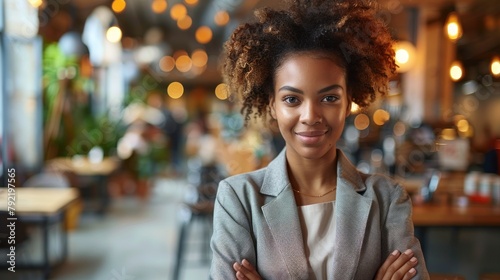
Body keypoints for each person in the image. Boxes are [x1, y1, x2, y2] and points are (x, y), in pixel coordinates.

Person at [210, 0, 430, 279]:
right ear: (273, 105)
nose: (310, 115)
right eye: (292, 99)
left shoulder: (386, 198)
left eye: (329, 98)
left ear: (349, 102)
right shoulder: (239, 198)